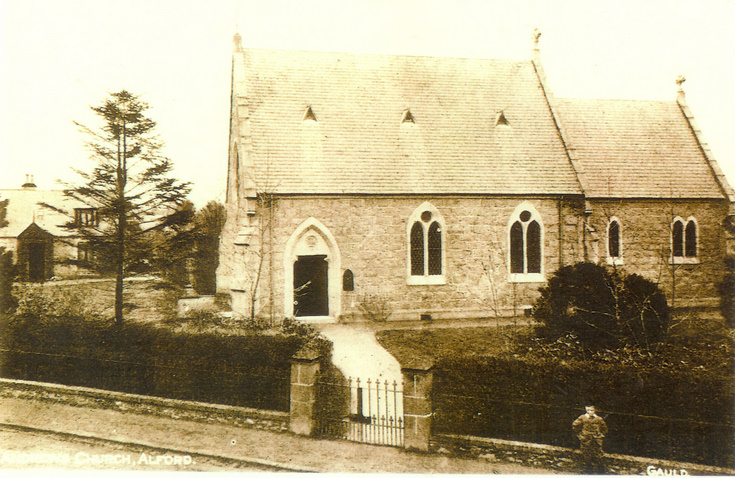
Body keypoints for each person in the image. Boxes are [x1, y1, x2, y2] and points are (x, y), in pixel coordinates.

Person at [572, 405, 608, 474]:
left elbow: (604, 428)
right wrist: (580, 434)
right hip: (586, 439)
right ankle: (588, 470)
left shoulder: (599, 419)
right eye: (587, 410)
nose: (589, 412)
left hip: (596, 439)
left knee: (598, 454)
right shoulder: (582, 417)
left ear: (595, 410)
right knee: (586, 453)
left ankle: (600, 471)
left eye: (591, 410)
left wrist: (601, 435)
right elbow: (575, 425)